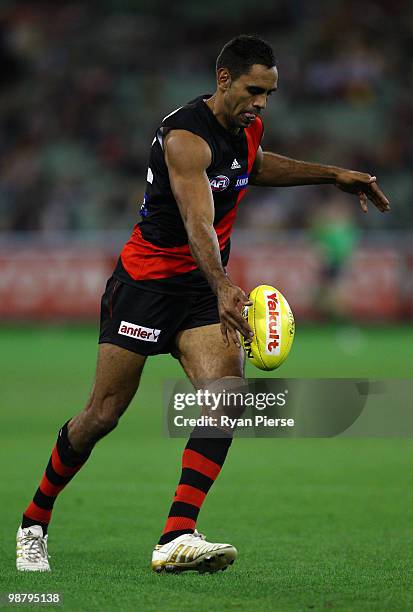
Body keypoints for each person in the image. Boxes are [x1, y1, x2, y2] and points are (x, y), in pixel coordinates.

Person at [16, 34, 390, 574]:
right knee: (103, 414)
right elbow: (198, 223)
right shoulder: (184, 137)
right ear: (224, 80)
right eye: (254, 90)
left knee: (227, 396)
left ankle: (176, 533)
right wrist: (222, 285)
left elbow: (253, 167)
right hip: (146, 287)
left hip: (197, 293)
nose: (262, 103)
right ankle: (34, 521)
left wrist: (333, 175)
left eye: (269, 94)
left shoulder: (246, 128)